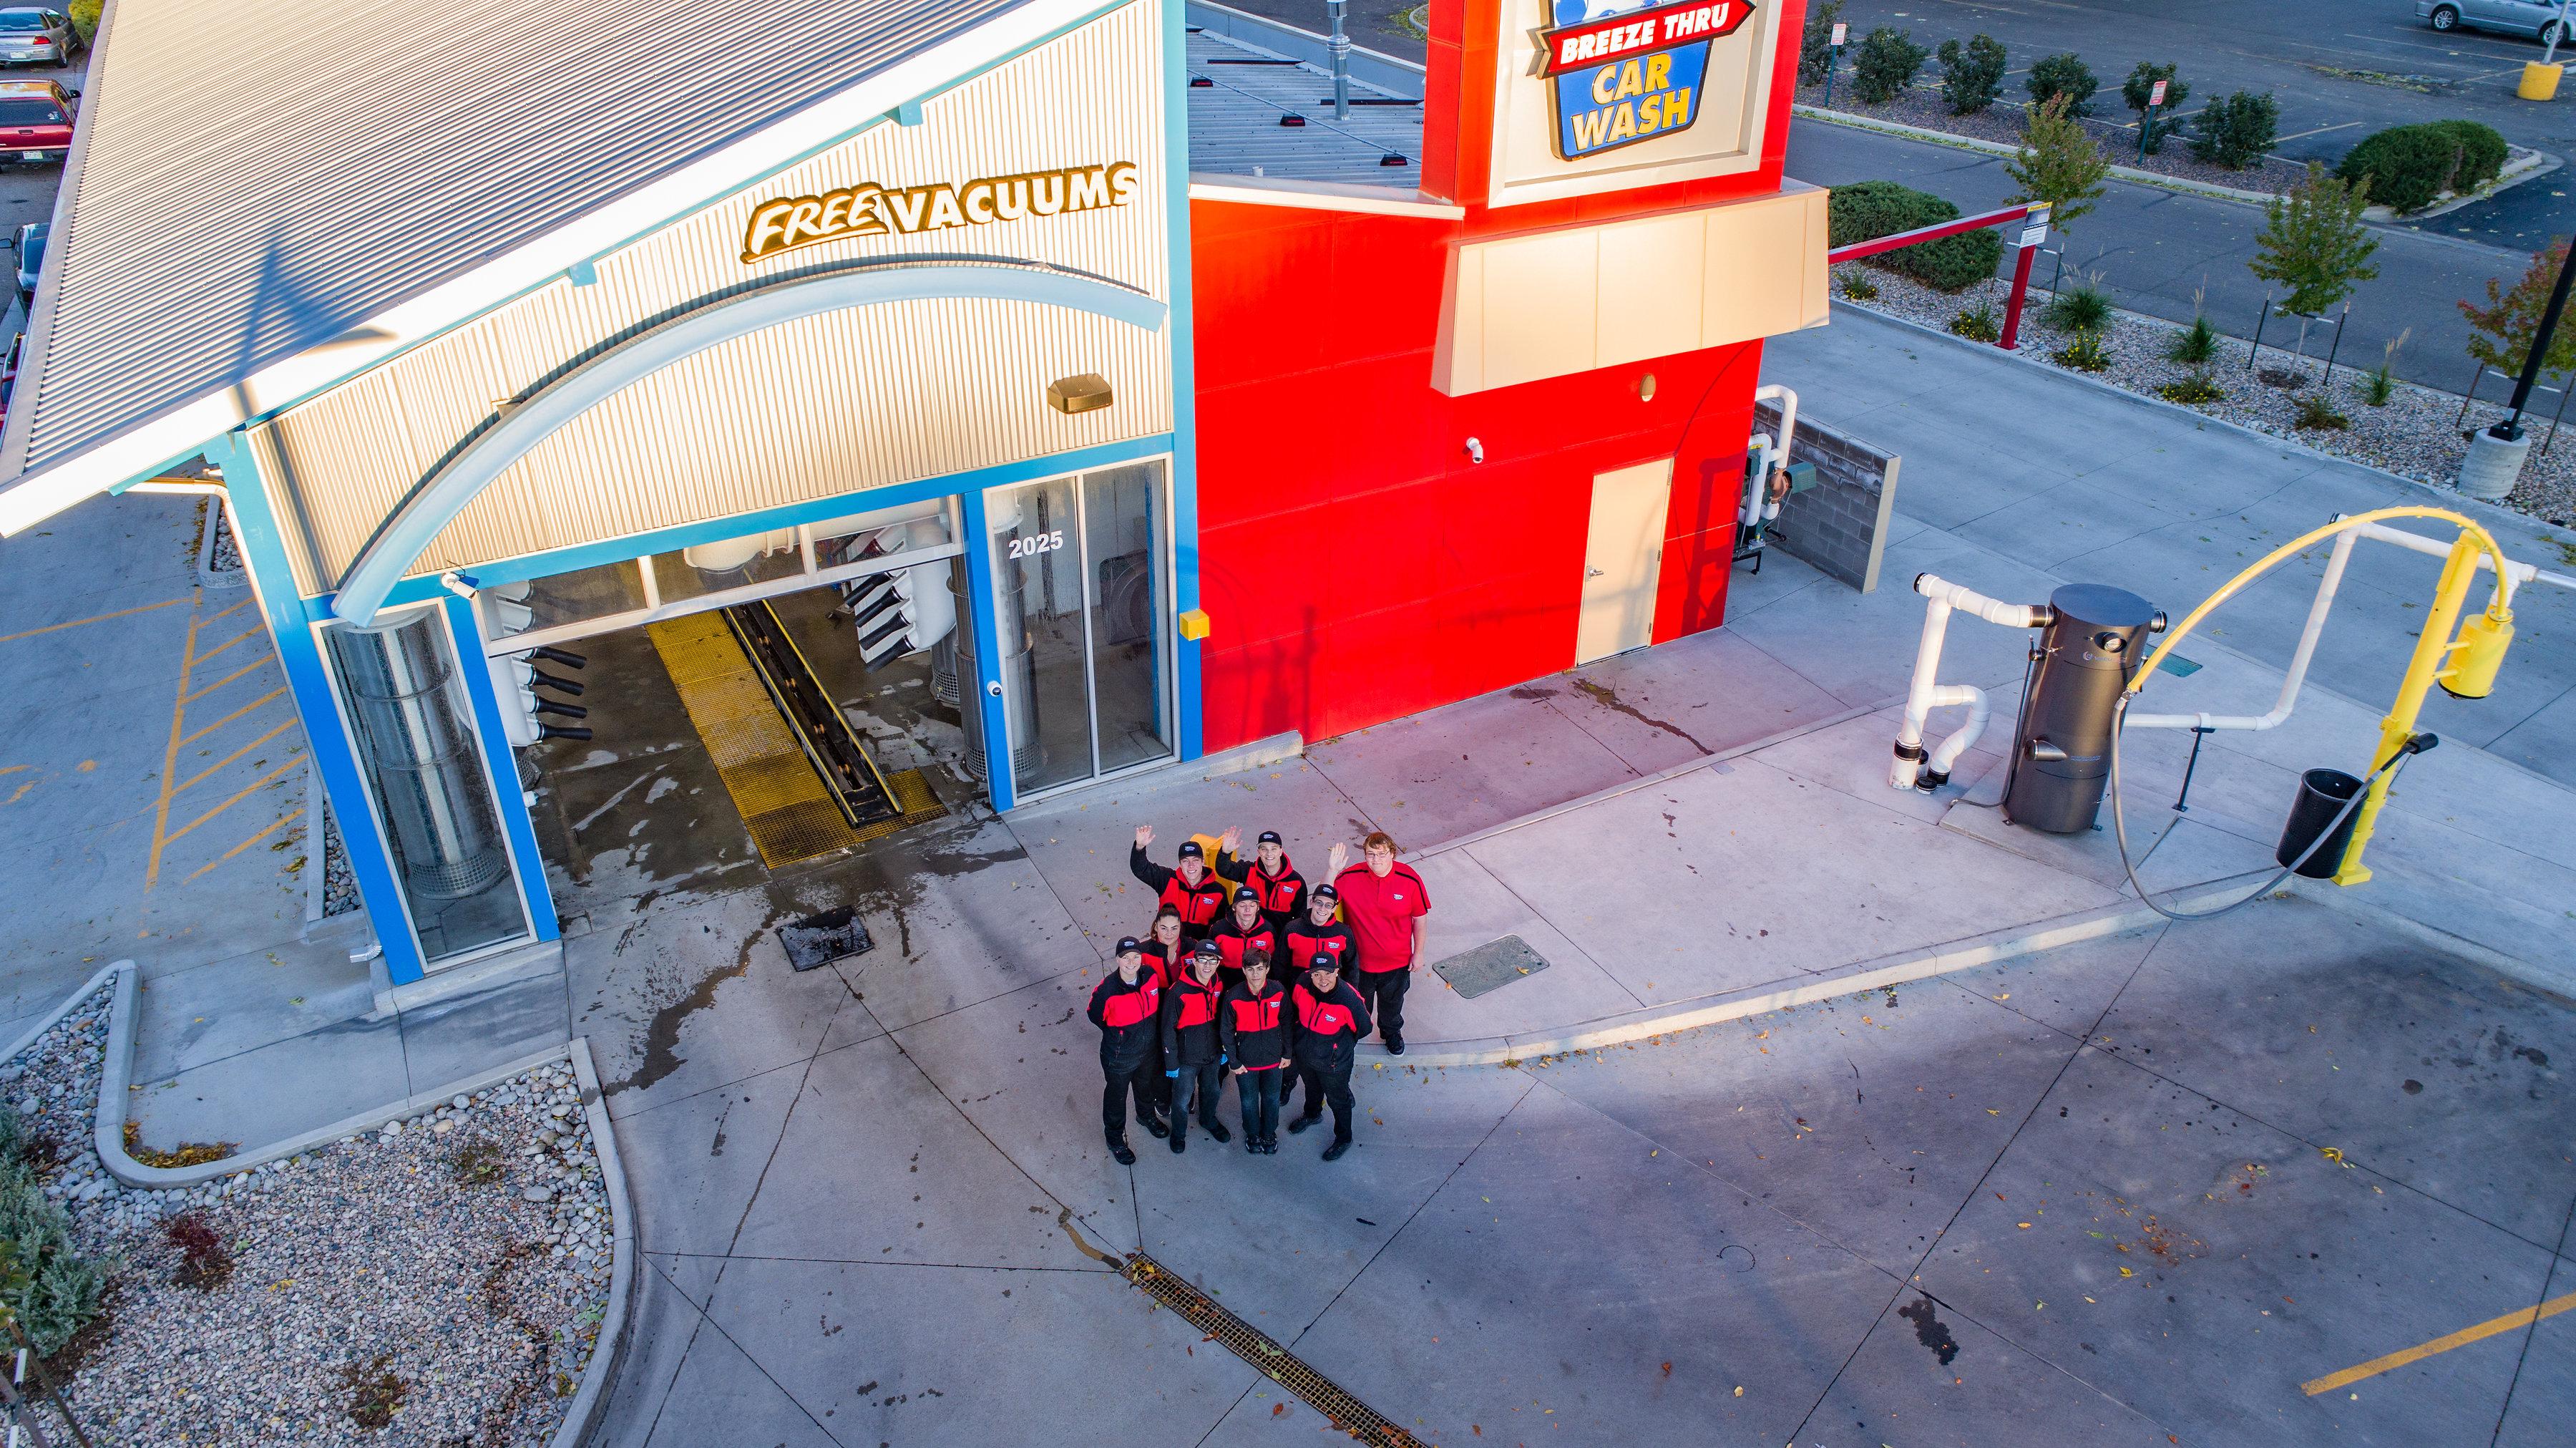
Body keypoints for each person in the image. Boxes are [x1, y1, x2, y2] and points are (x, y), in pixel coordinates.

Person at [1329, 832, 1430, 1055]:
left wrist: (1419, 952)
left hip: (1397, 962)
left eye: (1381, 855)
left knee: (1392, 1004)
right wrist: (1332, 870)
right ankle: (1354, 1034)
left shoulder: (1409, 879)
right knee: (1359, 1005)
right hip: (1359, 963)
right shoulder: (1350, 876)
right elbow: (1323, 899)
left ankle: (1391, 1032)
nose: (1376, 860)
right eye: (1370, 855)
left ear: (1392, 853)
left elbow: (1419, 918)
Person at [1086, 937, 1165, 1165]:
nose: (1131, 962)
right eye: (1126, 957)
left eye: (1136, 956)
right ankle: (1115, 1139)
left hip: (1147, 1050)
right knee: (1116, 1098)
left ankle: (1146, 1116)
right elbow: (1095, 1015)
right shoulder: (1107, 990)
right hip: (1119, 1057)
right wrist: (1120, 1035)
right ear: (1118, 960)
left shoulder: (1150, 976)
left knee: (1145, 1087)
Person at [1284, 953, 1371, 1161]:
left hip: (1334, 1063)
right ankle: (1312, 1115)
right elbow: (1296, 1006)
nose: (1323, 979)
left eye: (1328, 973)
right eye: (1317, 974)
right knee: (1312, 1090)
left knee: (1338, 1101)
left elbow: (1364, 1027)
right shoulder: (1302, 984)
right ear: (1309, 974)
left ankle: (1344, 1138)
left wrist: (1339, 1046)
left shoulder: (1348, 999)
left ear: (1337, 972)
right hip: (1306, 1055)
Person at [1159, 940, 1233, 1153]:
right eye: (1203, 960)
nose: (1207, 965)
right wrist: (1171, 1063)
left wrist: (1224, 1050)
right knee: (1182, 1100)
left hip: (1212, 1055)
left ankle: (1208, 1120)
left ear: (1218, 962)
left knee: (1212, 1091)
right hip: (1186, 1059)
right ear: (1195, 961)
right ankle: (1179, 1133)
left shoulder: (1219, 984)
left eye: (1213, 960)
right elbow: (1167, 1031)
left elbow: (1224, 1020)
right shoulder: (1177, 992)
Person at [1219, 946, 1289, 1154]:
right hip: (1245, 1063)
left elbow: (1286, 1024)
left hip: (1275, 1060)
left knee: (1271, 1098)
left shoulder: (1278, 991)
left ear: (1267, 969)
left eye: (1260, 969)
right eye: (1250, 969)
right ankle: (1252, 1133)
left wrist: (1287, 1053)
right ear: (1243, 970)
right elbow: (1226, 1031)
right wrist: (1234, 1061)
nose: (1255, 974)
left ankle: (1269, 1133)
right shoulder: (1233, 996)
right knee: (1248, 1101)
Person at [1131, 825, 1231, 944]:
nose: (1191, 866)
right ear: (1180, 863)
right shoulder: (1166, 879)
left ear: (1203, 862)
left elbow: (1222, 927)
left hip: (1197, 952)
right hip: (1166, 945)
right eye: (1185, 861)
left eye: (1195, 860)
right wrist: (1140, 847)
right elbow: (1140, 869)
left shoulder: (1218, 891)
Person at [1217, 830, 1307, 937]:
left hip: (1280, 939)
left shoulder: (1296, 882)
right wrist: (1225, 853)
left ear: (1281, 851)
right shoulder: (1249, 870)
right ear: (1259, 852)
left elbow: (1300, 918)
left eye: (1274, 849)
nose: (1269, 854)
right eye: (1264, 849)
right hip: (1253, 937)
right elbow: (1224, 870)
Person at [1210, 886, 1282, 989]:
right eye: (1242, 905)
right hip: (1226, 982)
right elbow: (1211, 959)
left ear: (1257, 908)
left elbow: (1274, 962)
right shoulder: (1219, 930)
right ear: (1234, 907)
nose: (1247, 909)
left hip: (1256, 982)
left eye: (1252, 905)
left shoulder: (1268, 931)